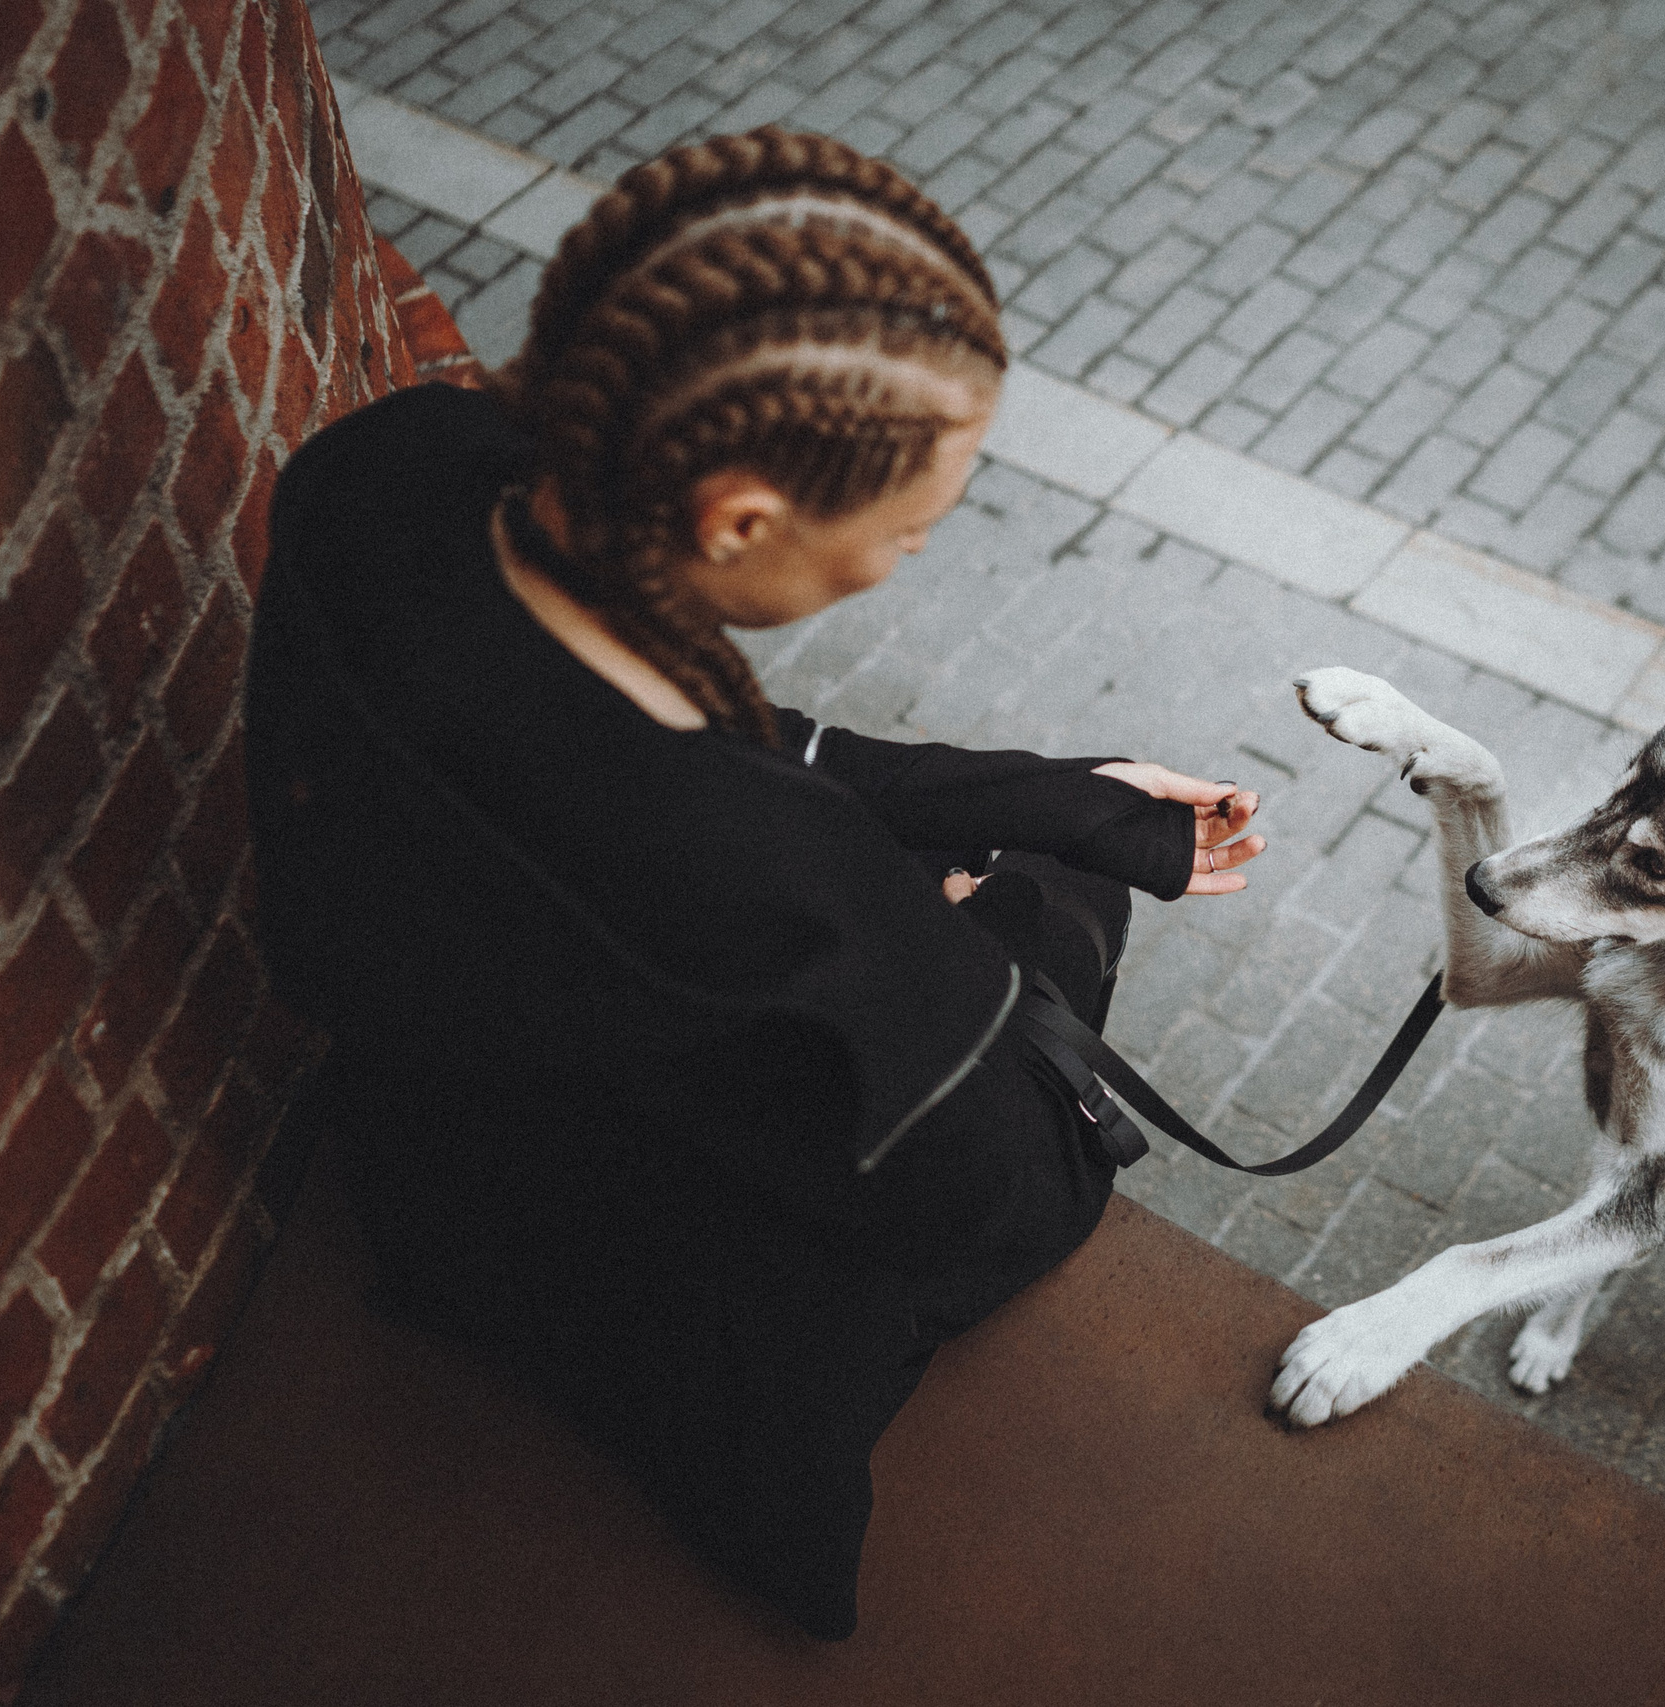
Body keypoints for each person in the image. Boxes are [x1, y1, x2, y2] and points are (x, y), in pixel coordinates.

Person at [243, 129, 1264, 1641]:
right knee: (1064, 947)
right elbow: (993, 1196)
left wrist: (1048, 794)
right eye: (909, 531)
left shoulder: (390, 468)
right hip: (625, 1232)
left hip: (435, 1137)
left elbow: (711, 739)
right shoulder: (767, 878)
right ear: (738, 520)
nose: (905, 560)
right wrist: (995, 927)